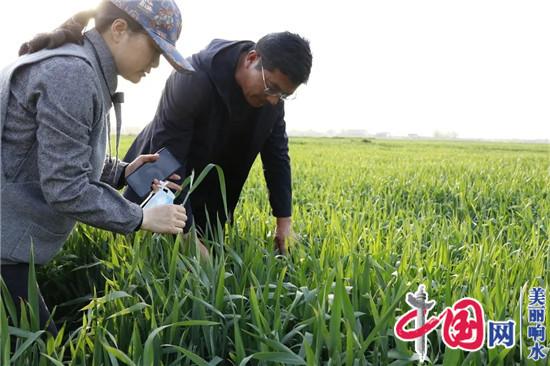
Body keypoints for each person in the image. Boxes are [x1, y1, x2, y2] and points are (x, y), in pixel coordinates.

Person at [0, 0, 193, 334]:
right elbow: (65, 188)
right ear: (118, 30)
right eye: (154, 49)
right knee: (39, 348)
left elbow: (53, 156)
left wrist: (122, 172)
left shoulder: (79, 68)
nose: (156, 64)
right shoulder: (73, 75)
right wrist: (142, 218)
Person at [123, 32, 312, 255]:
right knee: (147, 252)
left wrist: (284, 222)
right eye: (271, 87)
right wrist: (187, 235)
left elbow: (277, 156)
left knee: (210, 257)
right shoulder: (192, 76)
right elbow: (168, 157)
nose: (273, 100)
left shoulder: (272, 98)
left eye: (283, 95)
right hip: (160, 178)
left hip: (210, 186)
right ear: (252, 59)